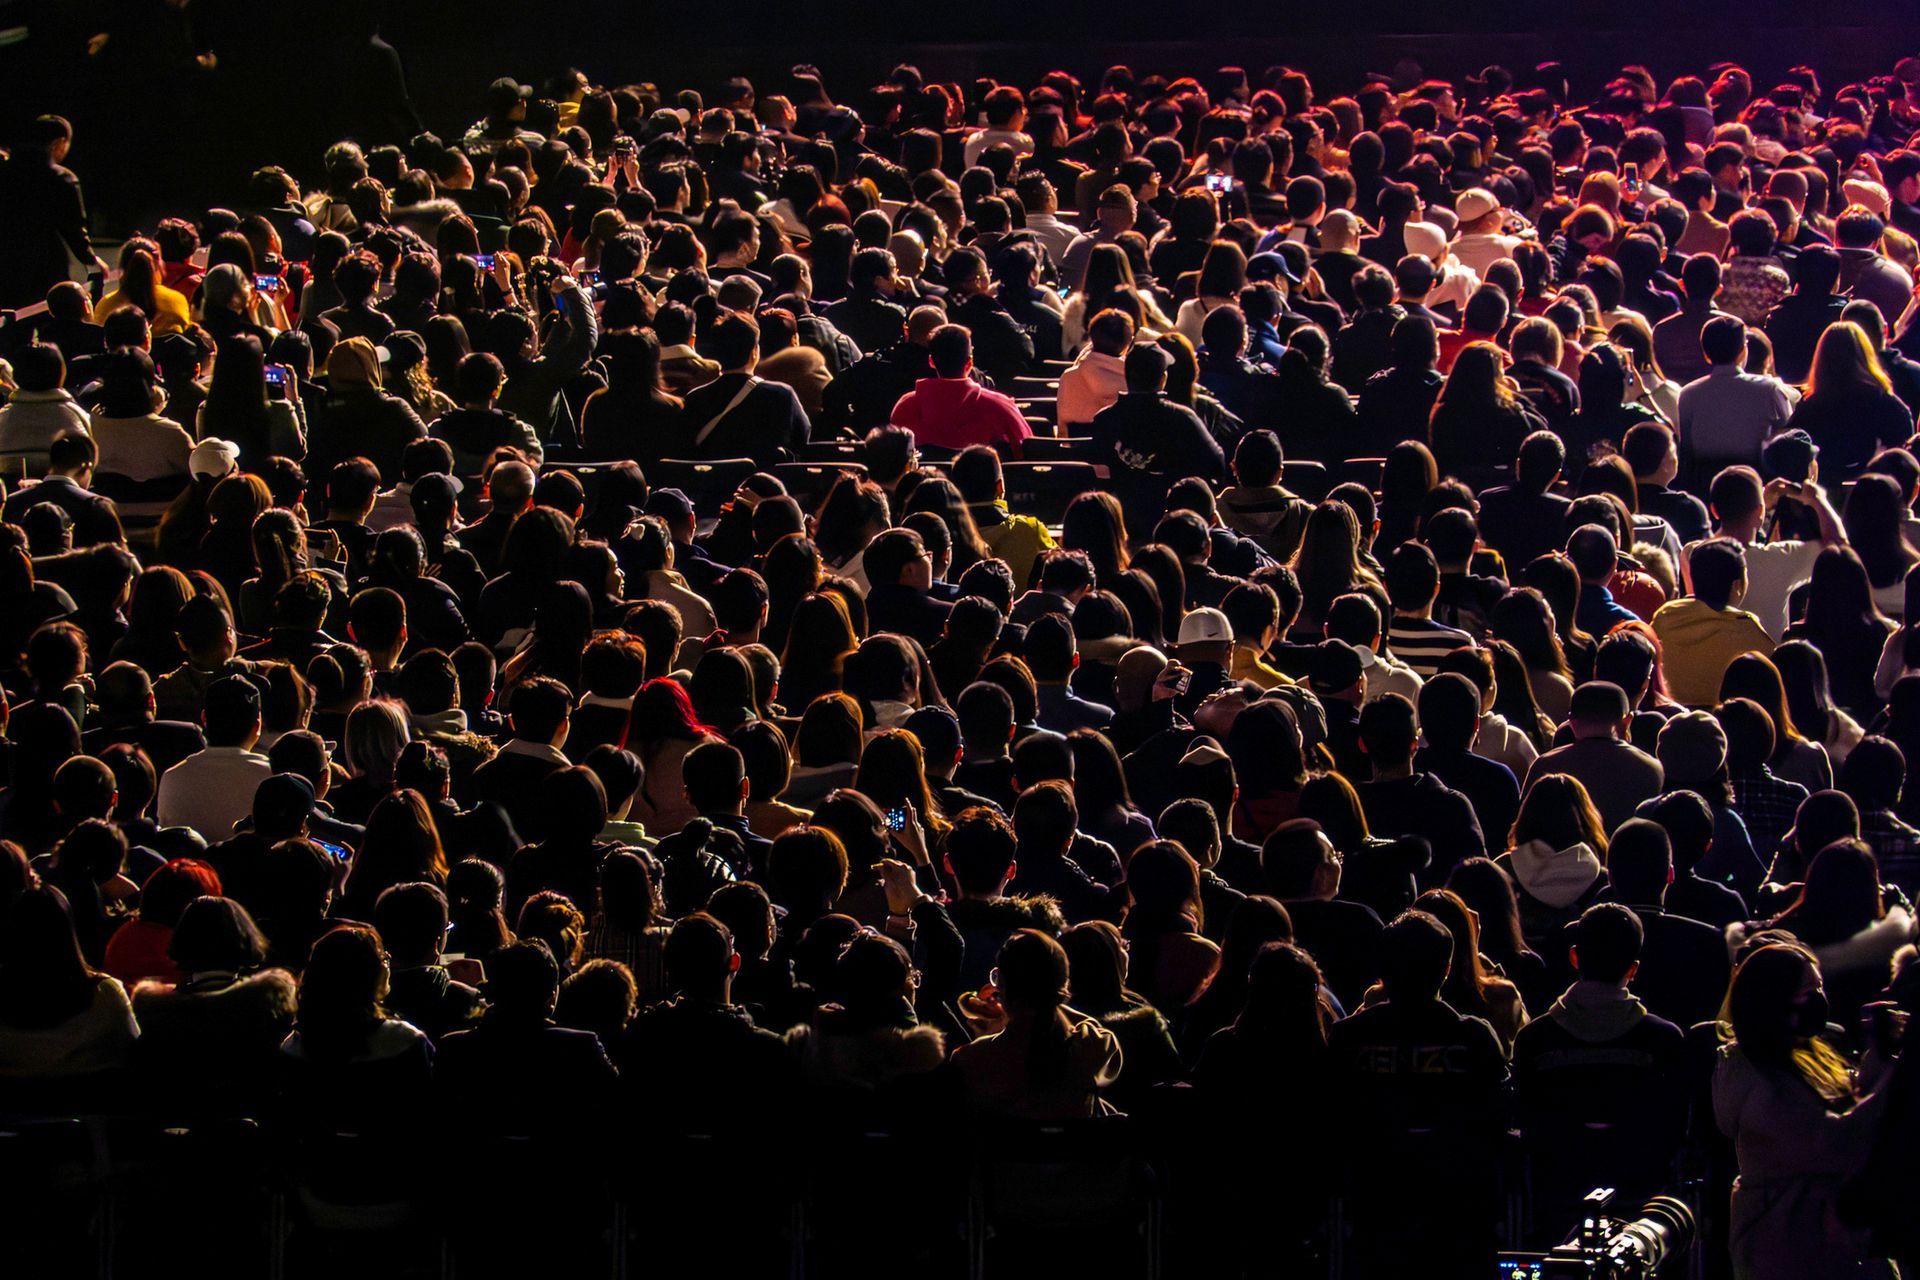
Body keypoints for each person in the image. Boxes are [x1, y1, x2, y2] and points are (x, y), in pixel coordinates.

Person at [1714, 942, 1894, 1280]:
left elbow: (1847, 1103)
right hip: (1785, 1244)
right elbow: (1834, 1142)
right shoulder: (1758, 1079)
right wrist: (1896, 1078)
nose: (1819, 999)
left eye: (1820, 987)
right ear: (1775, 1000)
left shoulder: (1804, 1053)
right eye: (1809, 990)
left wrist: (1878, 1057)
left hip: (1821, 1239)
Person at [952, 928, 1122, 1119]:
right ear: (1062, 984)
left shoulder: (972, 1060)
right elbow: (1086, 1023)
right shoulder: (1094, 1045)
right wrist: (1050, 996)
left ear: (1003, 987)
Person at [0, 116, 103, 310]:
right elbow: (73, 227)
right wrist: (90, 259)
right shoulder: (61, 178)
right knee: (45, 319)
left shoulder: (5, 171)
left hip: (5, 264)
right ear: (59, 143)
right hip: (42, 267)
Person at [887, 325, 1031, 456]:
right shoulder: (1001, 407)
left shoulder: (905, 408)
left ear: (931, 361)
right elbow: (1027, 452)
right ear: (969, 363)